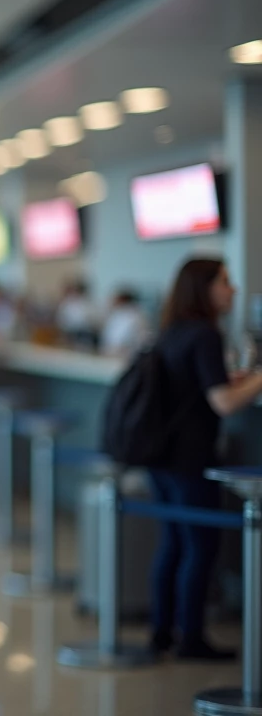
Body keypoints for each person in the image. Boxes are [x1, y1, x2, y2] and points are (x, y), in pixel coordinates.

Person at [148, 257, 262, 660]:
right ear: (205, 288)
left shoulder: (173, 330)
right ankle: (191, 639)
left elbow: (202, 386)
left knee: (174, 544)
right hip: (189, 458)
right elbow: (224, 403)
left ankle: (162, 632)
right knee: (199, 546)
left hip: (160, 456)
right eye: (225, 282)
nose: (232, 290)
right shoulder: (205, 335)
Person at [101, 287, 151, 358]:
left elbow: (142, 340)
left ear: (123, 300)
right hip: (110, 352)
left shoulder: (137, 316)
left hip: (126, 354)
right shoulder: (117, 314)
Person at [57, 279, 99, 349]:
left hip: (84, 333)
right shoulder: (68, 303)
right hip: (68, 332)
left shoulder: (89, 304)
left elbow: (92, 321)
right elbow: (62, 319)